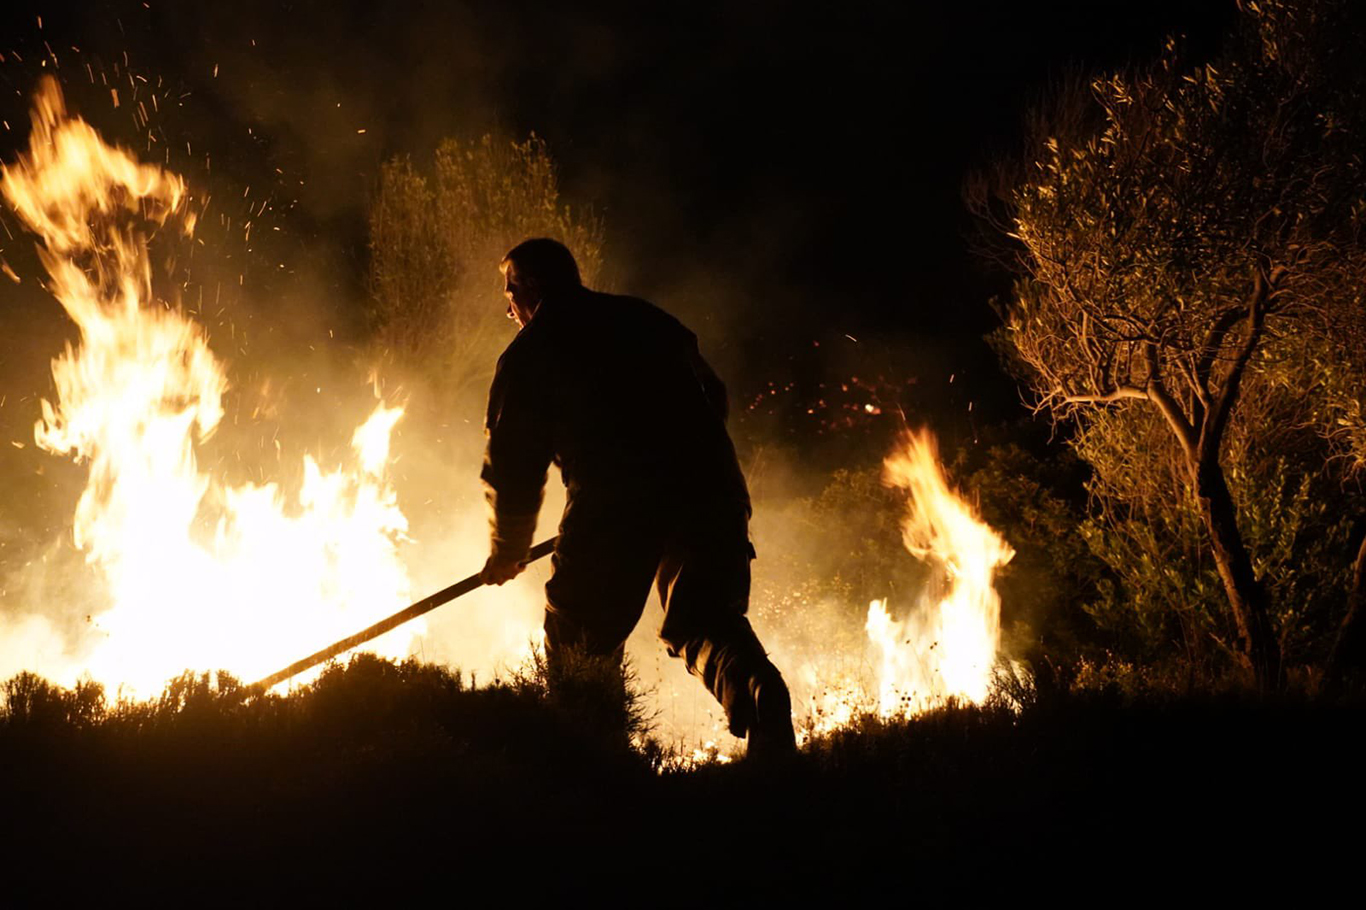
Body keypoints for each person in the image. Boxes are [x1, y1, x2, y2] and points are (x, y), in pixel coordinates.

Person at [479, 237, 796, 756]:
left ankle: (594, 772)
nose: (506, 305)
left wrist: (509, 547)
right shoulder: (648, 321)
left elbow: (512, 465)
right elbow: (712, 394)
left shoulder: (530, 355)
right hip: (711, 487)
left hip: (614, 506)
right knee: (706, 620)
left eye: (510, 290)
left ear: (533, 289)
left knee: (580, 636)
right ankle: (760, 694)